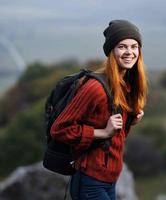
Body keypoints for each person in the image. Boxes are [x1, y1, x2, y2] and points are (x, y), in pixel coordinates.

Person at [50, 19, 148, 200]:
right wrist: (102, 132)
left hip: (109, 180)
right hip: (90, 181)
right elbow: (59, 129)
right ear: (111, 51)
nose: (129, 52)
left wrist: (130, 121)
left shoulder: (124, 85)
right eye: (122, 47)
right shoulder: (95, 88)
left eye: (134, 47)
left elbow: (115, 136)